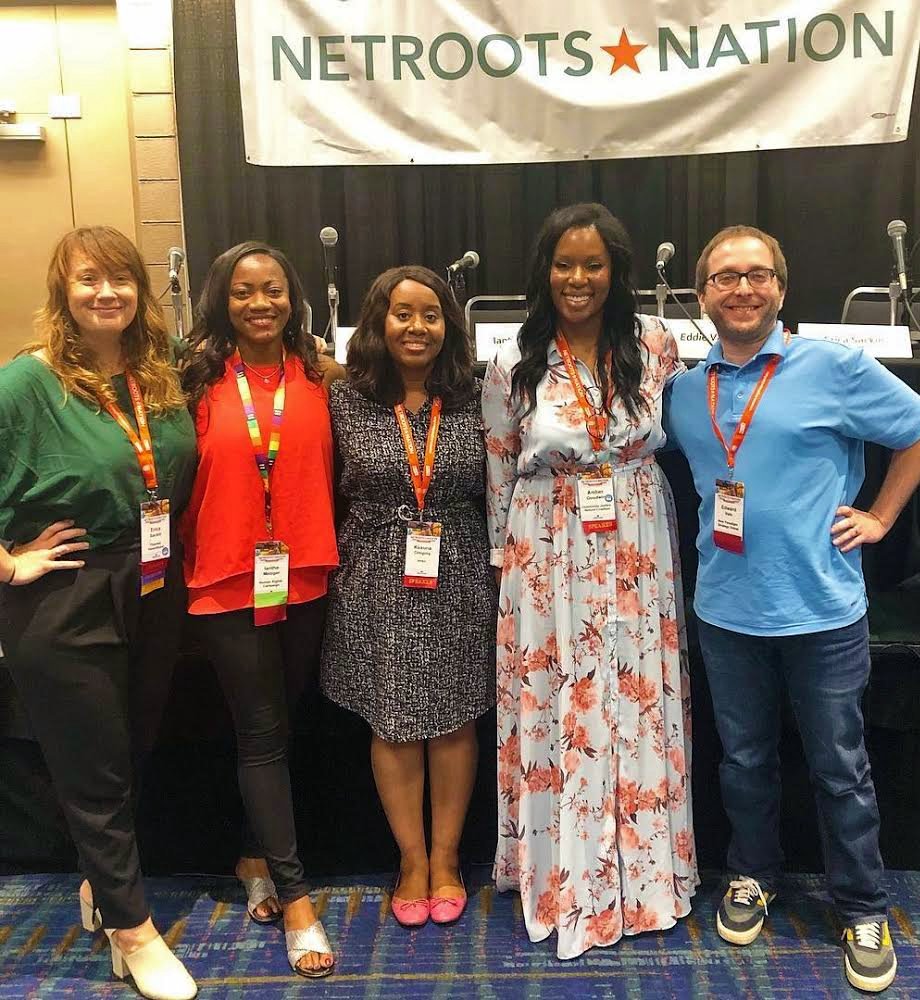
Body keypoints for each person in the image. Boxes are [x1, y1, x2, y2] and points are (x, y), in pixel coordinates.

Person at [665, 224, 920, 993]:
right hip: (725, 613)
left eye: (757, 275)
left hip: (822, 613)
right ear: (702, 294)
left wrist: (878, 516)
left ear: (781, 286)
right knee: (743, 763)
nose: (741, 289)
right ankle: (752, 876)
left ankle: (863, 905)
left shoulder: (835, 367)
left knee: (840, 770)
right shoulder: (682, 388)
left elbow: (914, 432)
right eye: (724, 278)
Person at [482, 203, 697, 960]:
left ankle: (643, 878)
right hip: (546, 546)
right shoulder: (515, 356)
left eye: (594, 264)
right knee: (560, 701)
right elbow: (501, 467)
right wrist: (505, 572)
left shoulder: (656, 343)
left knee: (637, 698)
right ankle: (561, 875)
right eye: (565, 264)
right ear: (545, 270)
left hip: (637, 536)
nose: (578, 278)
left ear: (617, 272)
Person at [0, 226, 198, 1000]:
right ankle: (133, 928)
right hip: (66, 589)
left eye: (120, 278)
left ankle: (102, 884)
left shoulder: (156, 375)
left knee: (133, 745)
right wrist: (12, 562)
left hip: (150, 580)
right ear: (64, 291)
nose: (106, 292)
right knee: (93, 765)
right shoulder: (28, 382)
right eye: (89, 279)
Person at [179, 241, 340, 977]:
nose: (260, 304)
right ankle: (297, 897)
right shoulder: (194, 380)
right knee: (261, 731)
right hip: (224, 578)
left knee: (285, 714)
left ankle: (253, 856)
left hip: (302, 572)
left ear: (292, 294)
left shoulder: (321, 374)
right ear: (222, 300)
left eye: (273, 289)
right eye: (244, 293)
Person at [321, 265, 496, 927]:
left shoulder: (481, 395)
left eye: (430, 314)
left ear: (449, 324)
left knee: (454, 719)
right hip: (373, 573)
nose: (416, 326)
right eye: (402, 313)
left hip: (458, 566)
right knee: (391, 719)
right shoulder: (345, 398)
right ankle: (411, 858)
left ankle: (447, 859)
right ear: (378, 322)